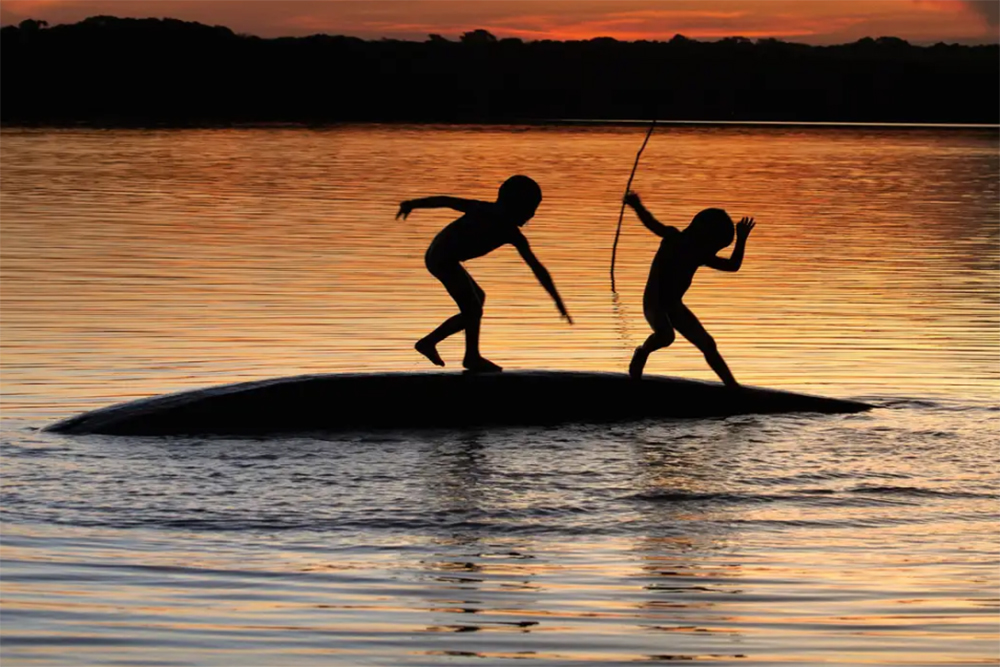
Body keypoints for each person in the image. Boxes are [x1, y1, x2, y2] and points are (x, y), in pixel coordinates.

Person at [397, 175, 572, 373]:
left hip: (446, 259)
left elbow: (537, 268)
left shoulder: (512, 234)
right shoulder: (484, 210)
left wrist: (557, 299)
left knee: (477, 300)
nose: (531, 215)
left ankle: (457, 351)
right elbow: (446, 201)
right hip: (441, 257)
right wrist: (412, 204)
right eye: (530, 209)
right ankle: (456, 352)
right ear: (515, 204)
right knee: (473, 308)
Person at [622, 191, 755, 385]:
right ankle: (642, 353)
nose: (715, 251)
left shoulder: (699, 254)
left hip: (673, 305)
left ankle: (732, 386)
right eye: (716, 246)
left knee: (708, 344)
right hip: (654, 302)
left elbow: (733, 266)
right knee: (666, 335)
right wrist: (637, 206)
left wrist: (742, 239)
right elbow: (652, 224)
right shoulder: (674, 238)